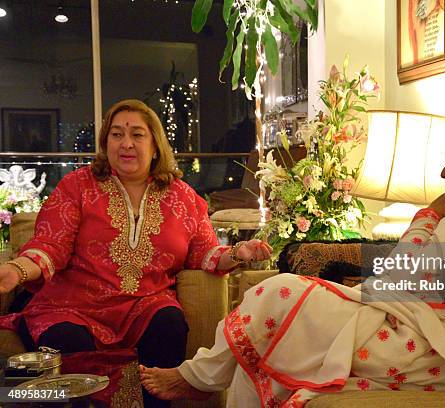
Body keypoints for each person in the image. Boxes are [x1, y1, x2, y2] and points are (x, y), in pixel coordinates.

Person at [140, 114, 445, 406]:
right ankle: (202, 378)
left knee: (279, 292)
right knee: (274, 339)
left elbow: (397, 276)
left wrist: (431, 214)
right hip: (416, 336)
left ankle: (199, 378)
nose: (444, 173)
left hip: (429, 353)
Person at [0, 99, 272, 407]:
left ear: (156, 144)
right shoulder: (77, 187)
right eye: (116, 135)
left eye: (137, 135)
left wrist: (238, 252)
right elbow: (52, 243)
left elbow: (204, 254)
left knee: (168, 322)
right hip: (75, 304)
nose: (126, 144)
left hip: (144, 303)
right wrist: (17, 270)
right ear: (105, 143)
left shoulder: (185, 199)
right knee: (67, 338)